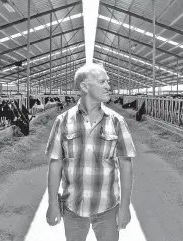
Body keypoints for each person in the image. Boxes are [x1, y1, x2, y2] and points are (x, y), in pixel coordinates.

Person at [45, 63, 136, 241]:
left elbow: (126, 166)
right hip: (73, 209)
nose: (108, 86)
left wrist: (125, 206)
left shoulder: (117, 121)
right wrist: (52, 203)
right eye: (102, 81)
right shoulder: (62, 121)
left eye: (108, 82)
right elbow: (55, 164)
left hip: (107, 208)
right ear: (85, 86)